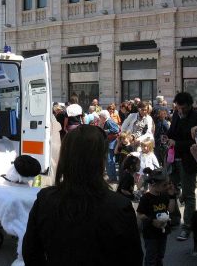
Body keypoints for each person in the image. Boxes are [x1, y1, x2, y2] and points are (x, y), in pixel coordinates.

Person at [22, 125, 143, 265]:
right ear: (100, 161)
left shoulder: (45, 199)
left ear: (65, 157)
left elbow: (31, 252)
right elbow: (133, 258)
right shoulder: (119, 206)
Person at [167, 92, 197, 241]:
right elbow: (172, 132)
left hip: (188, 160)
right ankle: (175, 219)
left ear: (190, 105)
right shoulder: (175, 114)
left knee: (188, 194)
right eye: (178, 108)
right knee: (171, 190)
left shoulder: (196, 117)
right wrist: (167, 138)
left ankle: (187, 226)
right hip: (173, 158)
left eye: (183, 108)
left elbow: (195, 143)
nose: (180, 111)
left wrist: (177, 143)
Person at [137, 168, 176, 266]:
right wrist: (152, 221)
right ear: (154, 184)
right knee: (151, 258)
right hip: (150, 234)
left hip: (163, 232)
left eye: (168, 184)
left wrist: (172, 196)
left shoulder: (164, 195)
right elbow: (140, 215)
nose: (167, 187)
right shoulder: (146, 198)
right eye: (164, 185)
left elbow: (170, 210)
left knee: (160, 256)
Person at [99, 110, 120, 182]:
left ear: (104, 117)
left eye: (100, 116)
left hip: (111, 143)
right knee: (109, 160)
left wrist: (104, 131)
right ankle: (112, 177)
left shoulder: (109, 121)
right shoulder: (108, 121)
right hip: (110, 143)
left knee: (110, 160)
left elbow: (116, 129)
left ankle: (112, 178)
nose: (99, 118)